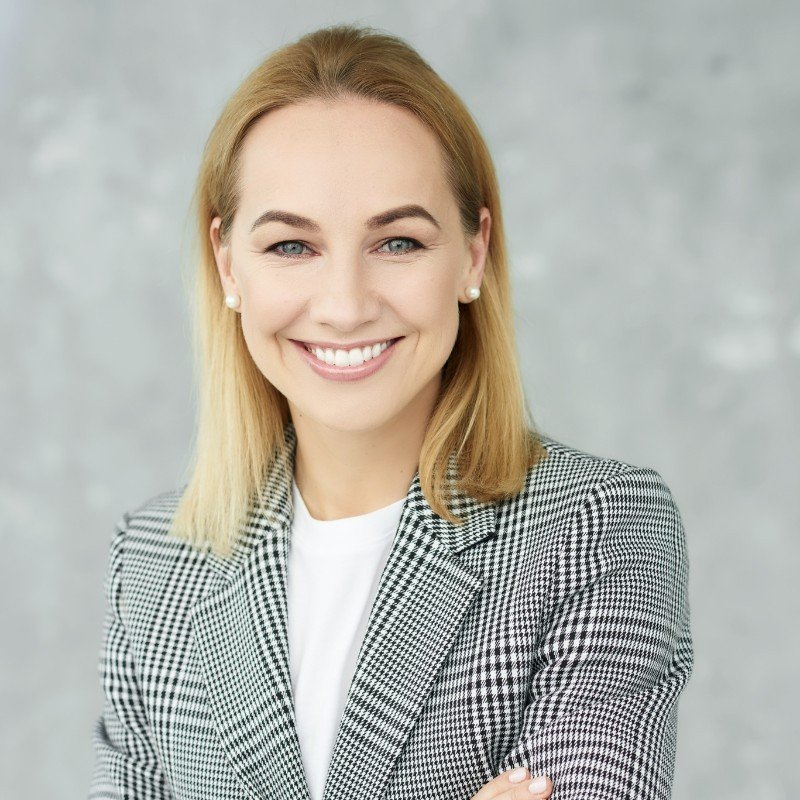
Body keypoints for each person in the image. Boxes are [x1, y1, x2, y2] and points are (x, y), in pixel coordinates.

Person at [88, 23, 693, 800]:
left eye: (398, 243)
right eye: (291, 248)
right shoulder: (151, 565)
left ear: (473, 254)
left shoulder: (599, 529)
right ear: (226, 263)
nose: (344, 306)